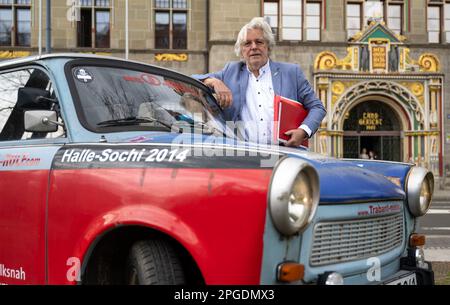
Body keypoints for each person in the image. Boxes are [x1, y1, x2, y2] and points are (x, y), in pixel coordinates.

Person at [192, 17, 326, 147]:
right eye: (247, 43)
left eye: (259, 42)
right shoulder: (230, 72)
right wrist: (214, 81)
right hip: (244, 156)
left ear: (268, 46)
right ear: (242, 51)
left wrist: (303, 131)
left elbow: (317, 107)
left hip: (285, 154)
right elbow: (193, 80)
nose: (254, 47)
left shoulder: (291, 73)